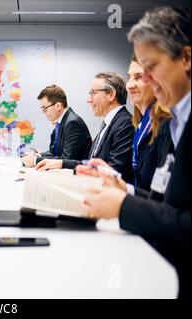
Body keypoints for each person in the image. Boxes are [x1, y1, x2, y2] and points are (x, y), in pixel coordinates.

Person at [82, 6, 190, 299]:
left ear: (186, 58)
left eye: (150, 69)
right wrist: (125, 189)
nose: (144, 83)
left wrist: (123, 205)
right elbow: (167, 204)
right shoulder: (177, 120)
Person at [36, 72, 135, 182]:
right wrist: (61, 164)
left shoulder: (125, 124)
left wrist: (72, 171)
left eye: (93, 93)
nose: (89, 100)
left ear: (111, 94)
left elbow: (114, 170)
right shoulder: (108, 123)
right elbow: (91, 162)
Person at [127, 57, 171, 190]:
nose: (129, 85)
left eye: (139, 77)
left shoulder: (165, 125)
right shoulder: (140, 125)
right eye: (129, 77)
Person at [21, 85, 92, 167]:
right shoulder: (61, 122)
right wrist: (37, 156)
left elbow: (66, 159)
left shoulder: (73, 123)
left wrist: (35, 161)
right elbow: (53, 153)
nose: (43, 112)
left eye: (45, 108)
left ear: (58, 106)